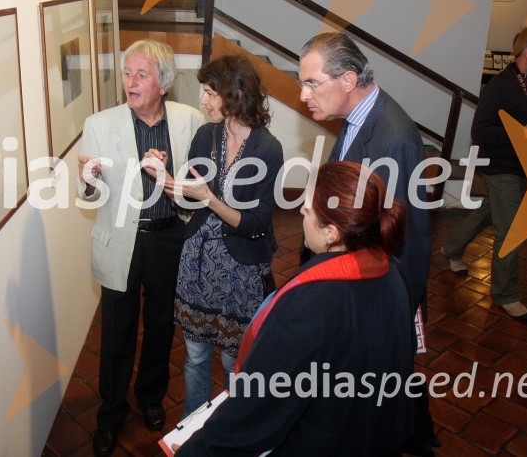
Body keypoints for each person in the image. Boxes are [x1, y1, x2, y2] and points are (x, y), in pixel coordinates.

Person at [176, 161, 414, 456]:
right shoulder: (395, 271)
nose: (301, 209)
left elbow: (257, 413)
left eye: (308, 206)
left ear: (331, 233)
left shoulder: (309, 304)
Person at [77, 39, 204, 457]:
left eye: (141, 74)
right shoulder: (99, 123)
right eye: (127, 73)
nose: (130, 82)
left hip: (170, 236)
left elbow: (198, 191)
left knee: (161, 326)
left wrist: (169, 178)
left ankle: (151, 396)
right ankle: (110, 414)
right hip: (122, 243)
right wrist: (90, 179)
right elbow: (92, 198)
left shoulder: (190, 120)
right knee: (117, 334)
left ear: (163, 83)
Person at [150, 54, 284, 417]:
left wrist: (210, 198)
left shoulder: (268, 149)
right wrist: (163, 177)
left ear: (236, 94)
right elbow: (185, 196)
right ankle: (193, 427)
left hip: (240, 270)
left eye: (209, 92)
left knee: (230, 361)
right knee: (194, 357)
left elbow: (256, 224)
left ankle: (226, 430)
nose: (202, 101)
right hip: (196, 262)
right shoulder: (205, 135)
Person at [298, 32, 431, 317]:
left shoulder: (395, 139)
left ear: (348, 80)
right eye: (302, 83)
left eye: (312, 83)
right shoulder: (355, 116)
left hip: (372, 301)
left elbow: (407, 240)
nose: (303, 95)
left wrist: (397, 313)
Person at [441, 27, 527, 321]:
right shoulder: (501, 85)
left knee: (486, 215)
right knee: (511, 232)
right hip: (501, 168)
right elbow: (480, 131)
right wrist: (523, 132)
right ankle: (505, 295)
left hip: (519, 167)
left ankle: (451, 249)